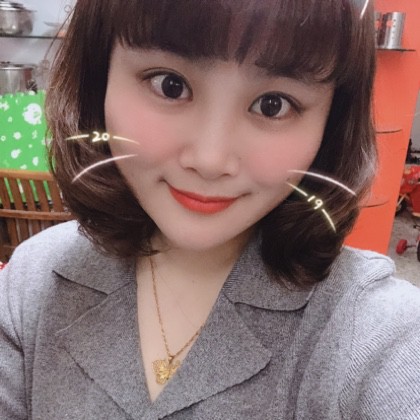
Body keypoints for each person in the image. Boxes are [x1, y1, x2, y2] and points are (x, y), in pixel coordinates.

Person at [1, 0, 419, 418]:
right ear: (99, 76)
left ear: (331, 122)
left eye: (273, 104)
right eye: (170, 85)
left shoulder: (369, 328)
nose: (210, 160)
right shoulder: (34, 283)